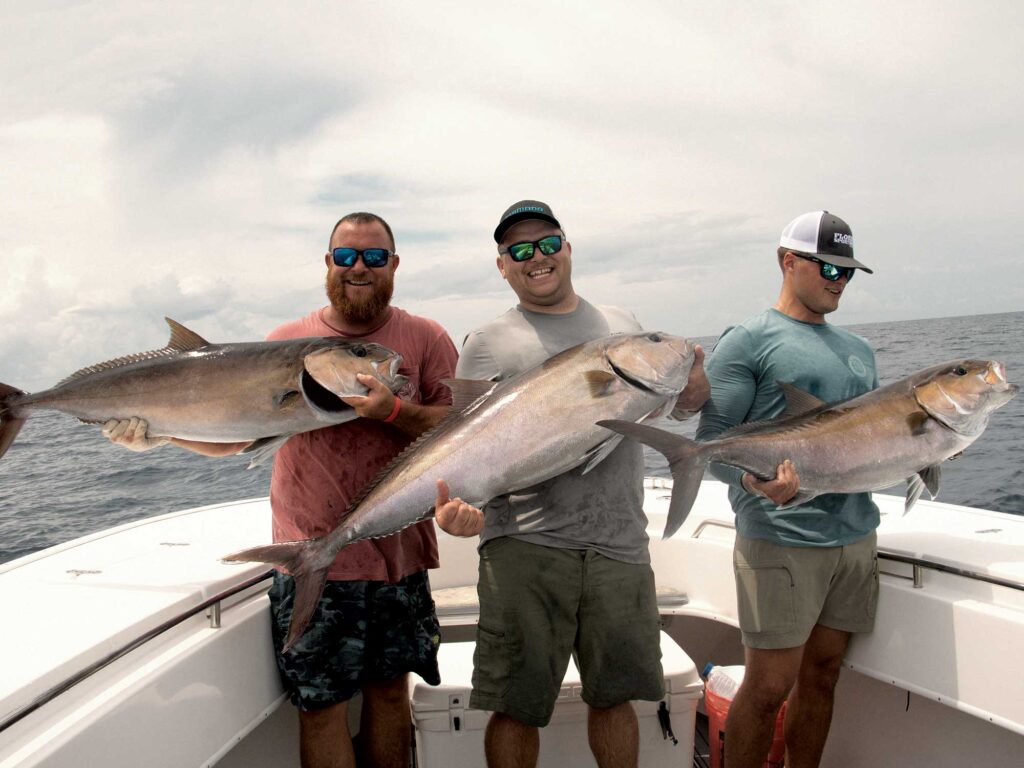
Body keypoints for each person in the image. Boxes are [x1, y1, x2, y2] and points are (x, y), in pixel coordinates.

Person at [104, 211, 481, 768]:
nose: (359, 267)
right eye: (346, 256)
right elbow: (235, 437)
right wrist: (157, 436)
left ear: (394, 265)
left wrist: (393, 410)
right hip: (309, 551)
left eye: (374, 257)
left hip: (399, 555)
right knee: (321, 706)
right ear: (328, 264)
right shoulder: (285, 342)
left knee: (388, 693)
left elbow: (458, 429)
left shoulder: (424, 337)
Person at [442, 199, 709, 768]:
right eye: (519, 250)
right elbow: (460, 449)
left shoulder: (624, 326)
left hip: (620, 543)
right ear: (502, 266)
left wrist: (693, 385)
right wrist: (455, 513)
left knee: (616, 700)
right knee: (516, 707)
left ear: (566, 247)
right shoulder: (487, 342)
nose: (536, 257)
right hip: (524, 547)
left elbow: (680, 411)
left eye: (547, 243)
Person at [696, 210, 879, 768]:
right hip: (781, 539)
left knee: (821, 677)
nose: (837, 279)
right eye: (827, 266)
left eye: (847, 271)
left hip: (855, 538)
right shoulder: (749, 340)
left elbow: (877, 442)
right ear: (787, 261)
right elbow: (710, 444)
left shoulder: (860, 349)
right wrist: (754, 482)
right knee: (769, 685)